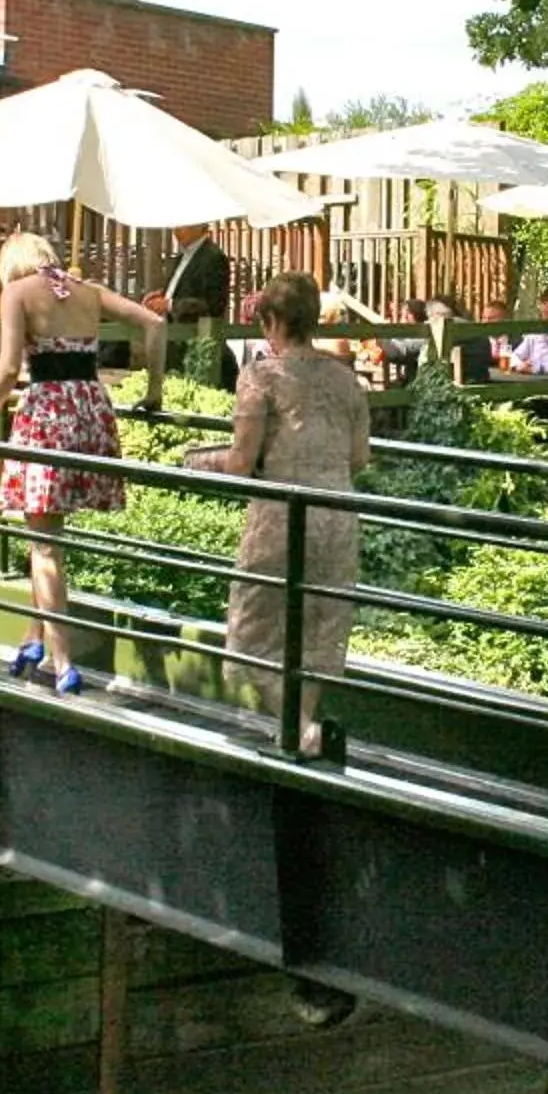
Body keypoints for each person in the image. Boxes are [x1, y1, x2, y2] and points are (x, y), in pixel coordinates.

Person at [0, 231, 166, 694]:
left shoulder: (16, 293)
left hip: (48, 417)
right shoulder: (88, 290)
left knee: (44, 543)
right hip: (92, 410)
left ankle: (62, 662)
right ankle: (33, 638)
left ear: (11, 265)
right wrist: (152, 391)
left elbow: (8, 369)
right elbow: (154, 323)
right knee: (46, 535)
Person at [188, 271, 371, 757]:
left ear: (270, 321)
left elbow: (241, 461)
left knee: (252, 628)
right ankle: (301, 727)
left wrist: (198, 458)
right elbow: (358, 458)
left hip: (281, 515)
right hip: (336, 513)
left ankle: (299, 728)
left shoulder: (261, 375)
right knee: (317, 627)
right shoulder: (346, 378)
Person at [157, 221, 238, 385]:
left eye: (182, 225)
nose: (176, 231)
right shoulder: (181, 256)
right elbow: (184, 289)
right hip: (173, 343)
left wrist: (170, 304)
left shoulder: (213, 257)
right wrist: (162, 295)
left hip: (196, 346)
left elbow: (213, 305)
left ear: (200, 225)